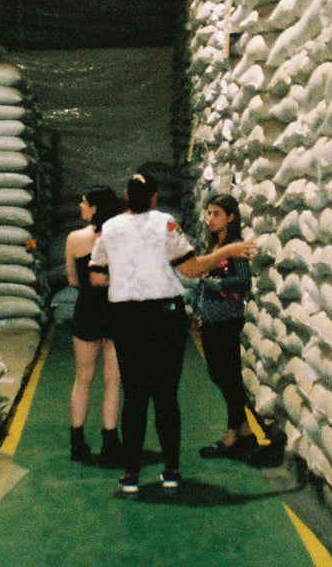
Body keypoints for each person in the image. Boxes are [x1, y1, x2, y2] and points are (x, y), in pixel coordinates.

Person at [89, 170, 257, 494]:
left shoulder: (109, 229)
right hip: (164, 318)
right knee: (165, 396)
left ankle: (131, 475)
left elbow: (96, 277)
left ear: (126, 196)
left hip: (126, 317)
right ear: (153, 197)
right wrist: (228, 252)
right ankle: (171, 471)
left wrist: (126, 279)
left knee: (135, 397)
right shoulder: (165, 223)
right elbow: (192, 269)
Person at [192, 194, 258, 459]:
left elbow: (243, 281)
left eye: (216, 213)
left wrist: (216, 285)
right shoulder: (215, 245)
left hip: (227, 319)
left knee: (227, 375)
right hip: (212, 319)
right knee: (219, 374)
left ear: (230, 217)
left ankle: (232, 436)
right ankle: (245, 430)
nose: (210, 219)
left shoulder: (235, 247)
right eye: (209, 213)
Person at [65, 185, 123, 467]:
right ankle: (110, 440)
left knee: (83, 378)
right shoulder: (120, 237)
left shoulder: (74, 239)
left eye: (84, 202)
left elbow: (74, 280)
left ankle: (77, 441)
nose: (80, 206)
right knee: (113, 379)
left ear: (95, 208)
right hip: (116, 311)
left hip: (87, 310)